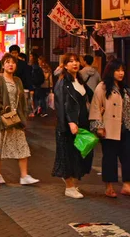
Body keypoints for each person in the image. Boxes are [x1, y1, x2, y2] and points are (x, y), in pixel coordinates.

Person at [0, 52, 39, 185]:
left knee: (22, 146)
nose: (10, 65)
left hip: (16, 120)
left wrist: (23, 117)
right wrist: (1, 113)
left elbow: (22, 101)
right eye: (7, 62)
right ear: (3, 65)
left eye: (13, 62)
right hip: (2, 120)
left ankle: (24, 175)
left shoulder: (18, 81)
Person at [52, 53, 94, 198]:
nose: (74, 64)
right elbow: (63, 105)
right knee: (68, 155)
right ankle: (69, 187)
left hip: (82, 122)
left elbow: (91, 95)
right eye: (70, 62)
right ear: (64, 65)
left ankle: (74, 184)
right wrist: (70, 122)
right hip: (68, 125)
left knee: (79, 154)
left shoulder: (80, 81)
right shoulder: (63, 82)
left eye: (76, 61)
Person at [89, 59, 130, 198]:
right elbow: (95, 107)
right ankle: (109, 186)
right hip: (109, 128)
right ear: (111, 71)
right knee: (110, 158)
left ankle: (127, 184)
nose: (121, 73)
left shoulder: (125, 88)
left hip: (126, 128)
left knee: (127, 156)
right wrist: (99, 127)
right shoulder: (103, 87)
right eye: (117, 70)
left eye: (122, 70)